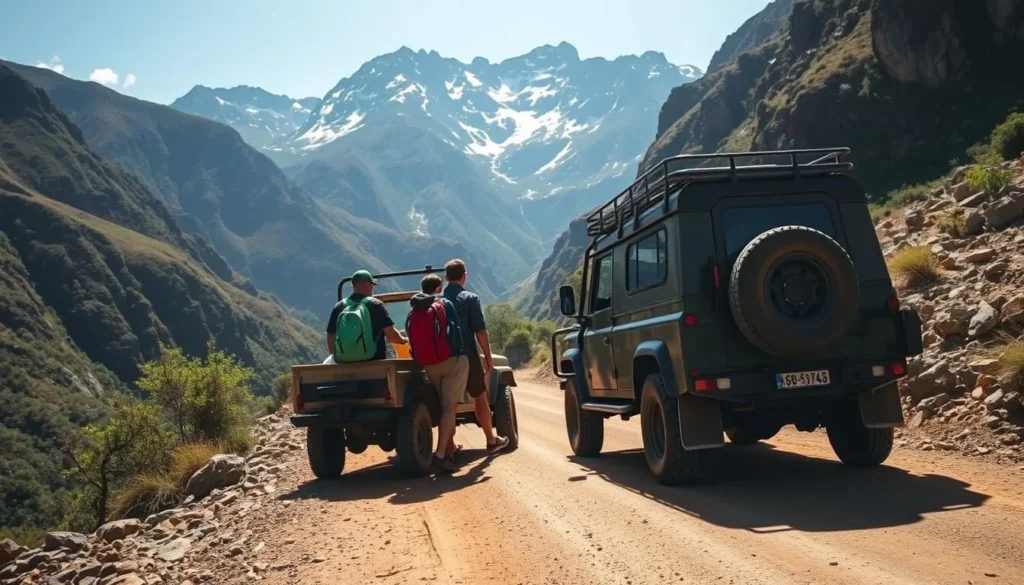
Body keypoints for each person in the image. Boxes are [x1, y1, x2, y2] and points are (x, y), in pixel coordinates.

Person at [442, 259, 509, 453]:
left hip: (444, 357)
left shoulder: (436, 301)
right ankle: (491, 439)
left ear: (446, 278)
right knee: (480, 397)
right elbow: (480, 331)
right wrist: (487, 357)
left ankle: (449, 446)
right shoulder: (470, 298)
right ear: (464, 276)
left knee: (449, 403)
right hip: (468, 355)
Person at [409, 274, 466, 473]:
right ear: (439, 288)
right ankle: (441, 454)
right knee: (450, 408)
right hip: (450, 361)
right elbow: (456, 333)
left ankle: (450, 447)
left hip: (429, 364)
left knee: (443, 407)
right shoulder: (444, 303)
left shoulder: (415, 310)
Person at [326, 269, 407, 362]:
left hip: (344, 364)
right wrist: (404, 340)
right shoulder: (375, 305)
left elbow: (330, 336)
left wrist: (337, 358)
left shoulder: (340, 306)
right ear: (368, 285)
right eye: (372, 285)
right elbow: (391, 336)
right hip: (375, 362)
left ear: (353, 286)